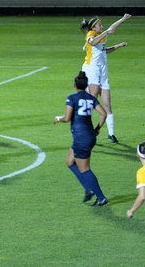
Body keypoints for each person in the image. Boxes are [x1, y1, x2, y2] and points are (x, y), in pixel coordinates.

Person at [53, 71, 108, 206]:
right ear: (86, 85)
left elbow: (67, 118)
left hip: (81, 138)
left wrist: (58, 118)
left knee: (84, 169)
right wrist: (97, 128)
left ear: (75, 85)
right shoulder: (91, 98)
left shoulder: (72, 98)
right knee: (70, 161)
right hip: (89, 135)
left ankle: (101, 197)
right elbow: (103, 114)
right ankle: (88, 189)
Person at [79, 13, 131, 143]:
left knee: (107, 103)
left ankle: (111, 134)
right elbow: (94, 42)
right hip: (92, 69)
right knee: (92, 100)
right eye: (99, 25)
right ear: (93, 28)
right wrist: (106, 32)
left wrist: (122, 20)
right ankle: (86, 129)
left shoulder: (101, 35)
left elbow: (103, 50)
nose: (102, 26)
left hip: (102, 72)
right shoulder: (91, 34)